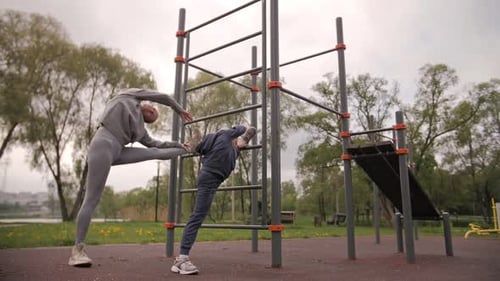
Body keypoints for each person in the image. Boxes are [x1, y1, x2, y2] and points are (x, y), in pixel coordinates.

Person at [69, 88, 194, 267]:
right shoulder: (128, 96)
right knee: (92, 199)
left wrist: (178, 144)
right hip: (103, 144)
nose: (153, 112)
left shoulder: (140, 131)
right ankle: (77, 250)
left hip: (119, 150)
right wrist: (179, 109)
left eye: (153, 116)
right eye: (152, 109)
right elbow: (163, 97)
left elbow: (157, 144)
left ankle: (188, 148)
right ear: (146, 102)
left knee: (154, 152)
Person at [171, 125, 256, 275]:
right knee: (197, 216)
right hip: (210, 178)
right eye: (237, 138)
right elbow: (244, 128)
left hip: (212, 178)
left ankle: (181, 259)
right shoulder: (225, 135)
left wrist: (243, 140)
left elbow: (249, 132)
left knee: (198, 215)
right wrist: (240, 134)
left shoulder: (227, 147)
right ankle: (181, 259)